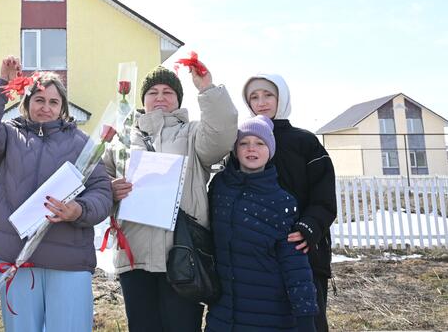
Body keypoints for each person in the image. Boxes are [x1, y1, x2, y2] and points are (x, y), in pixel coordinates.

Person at [0, 56, 112, 332]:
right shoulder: (10, 136)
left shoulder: (82, 144)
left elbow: (102, 193)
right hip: (17, 257)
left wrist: (78, 210)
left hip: (68, 261)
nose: (46, 107)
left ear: (63, 107)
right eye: (39, 100)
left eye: (53, 102)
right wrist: (2, 84)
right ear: (27, 103)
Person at [102, 64, 238, 332]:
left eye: (168, 92)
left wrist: (207, 89)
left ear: (178, 99)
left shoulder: (194, 134)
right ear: (143, 100)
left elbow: (223, 135)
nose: (160, 97)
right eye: (153, 92)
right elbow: (98, 180)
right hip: (134, 257)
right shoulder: (122, 140)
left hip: (183, 255)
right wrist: (110, 189)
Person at [242, 74, 337, 332]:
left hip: (303, 251)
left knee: (307, 321)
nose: (261, 102)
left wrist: (309, 228)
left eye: (268, 95)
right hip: (260, 255)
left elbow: (324, 197)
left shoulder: (306, 142)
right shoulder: (243, 142)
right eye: (254, 97)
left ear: (281, 97)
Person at [205, 115, 318, 331]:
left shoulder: (282, 201)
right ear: (235, 150)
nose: (251, 148)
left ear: (270, 151)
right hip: (222, 316)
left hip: (270, 316)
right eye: (244, 143)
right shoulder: (220, 187)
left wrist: (306, 317)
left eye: (260, 143)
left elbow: (295, 265)